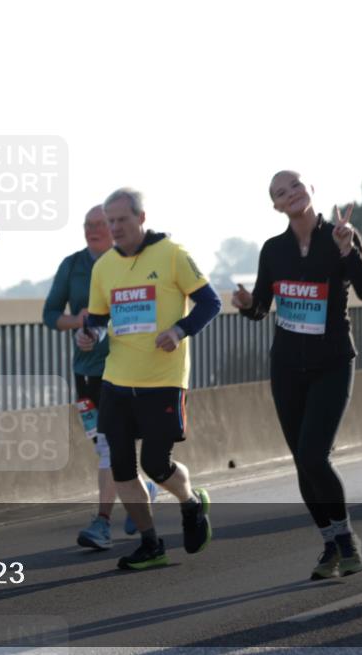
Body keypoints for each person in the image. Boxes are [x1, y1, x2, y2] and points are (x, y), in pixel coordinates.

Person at [232, 170, 362, 580]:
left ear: (310, 190)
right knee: (302, 462)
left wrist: (348, 251)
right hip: (287, 366)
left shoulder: (339, 236)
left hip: (333, 362)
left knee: (316, 455)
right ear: (276, 206)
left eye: (296, 185)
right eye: (281, 192)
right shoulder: (273, 249)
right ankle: (330, 544)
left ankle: (348, 543)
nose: (291, 194)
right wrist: (246, 303)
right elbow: (262, 307)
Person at [76, 187, 221, 570]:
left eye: (122, 220)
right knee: (121, 466)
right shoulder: (103, 267)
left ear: (141, 218)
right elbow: (97, 319)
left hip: (163, 380)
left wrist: (178, 331)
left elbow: (211, 303)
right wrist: (87, 334)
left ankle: (191, 503)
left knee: (156, 464)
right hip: (117, 381)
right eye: (110, 222)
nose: (116, 227)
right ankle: (150, 542)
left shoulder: (173, 255)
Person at [44, 206, 158, 549]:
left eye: (100, 224)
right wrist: (77, 323)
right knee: (104, 447)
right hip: (85, 372)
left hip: (123, 370)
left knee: (111, 448)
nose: (92, 230)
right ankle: (143, 489)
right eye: (87, 224)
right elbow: (50, 315)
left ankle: (102, 522)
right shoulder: (73, 265)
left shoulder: (130, 263)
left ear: (114, 228)